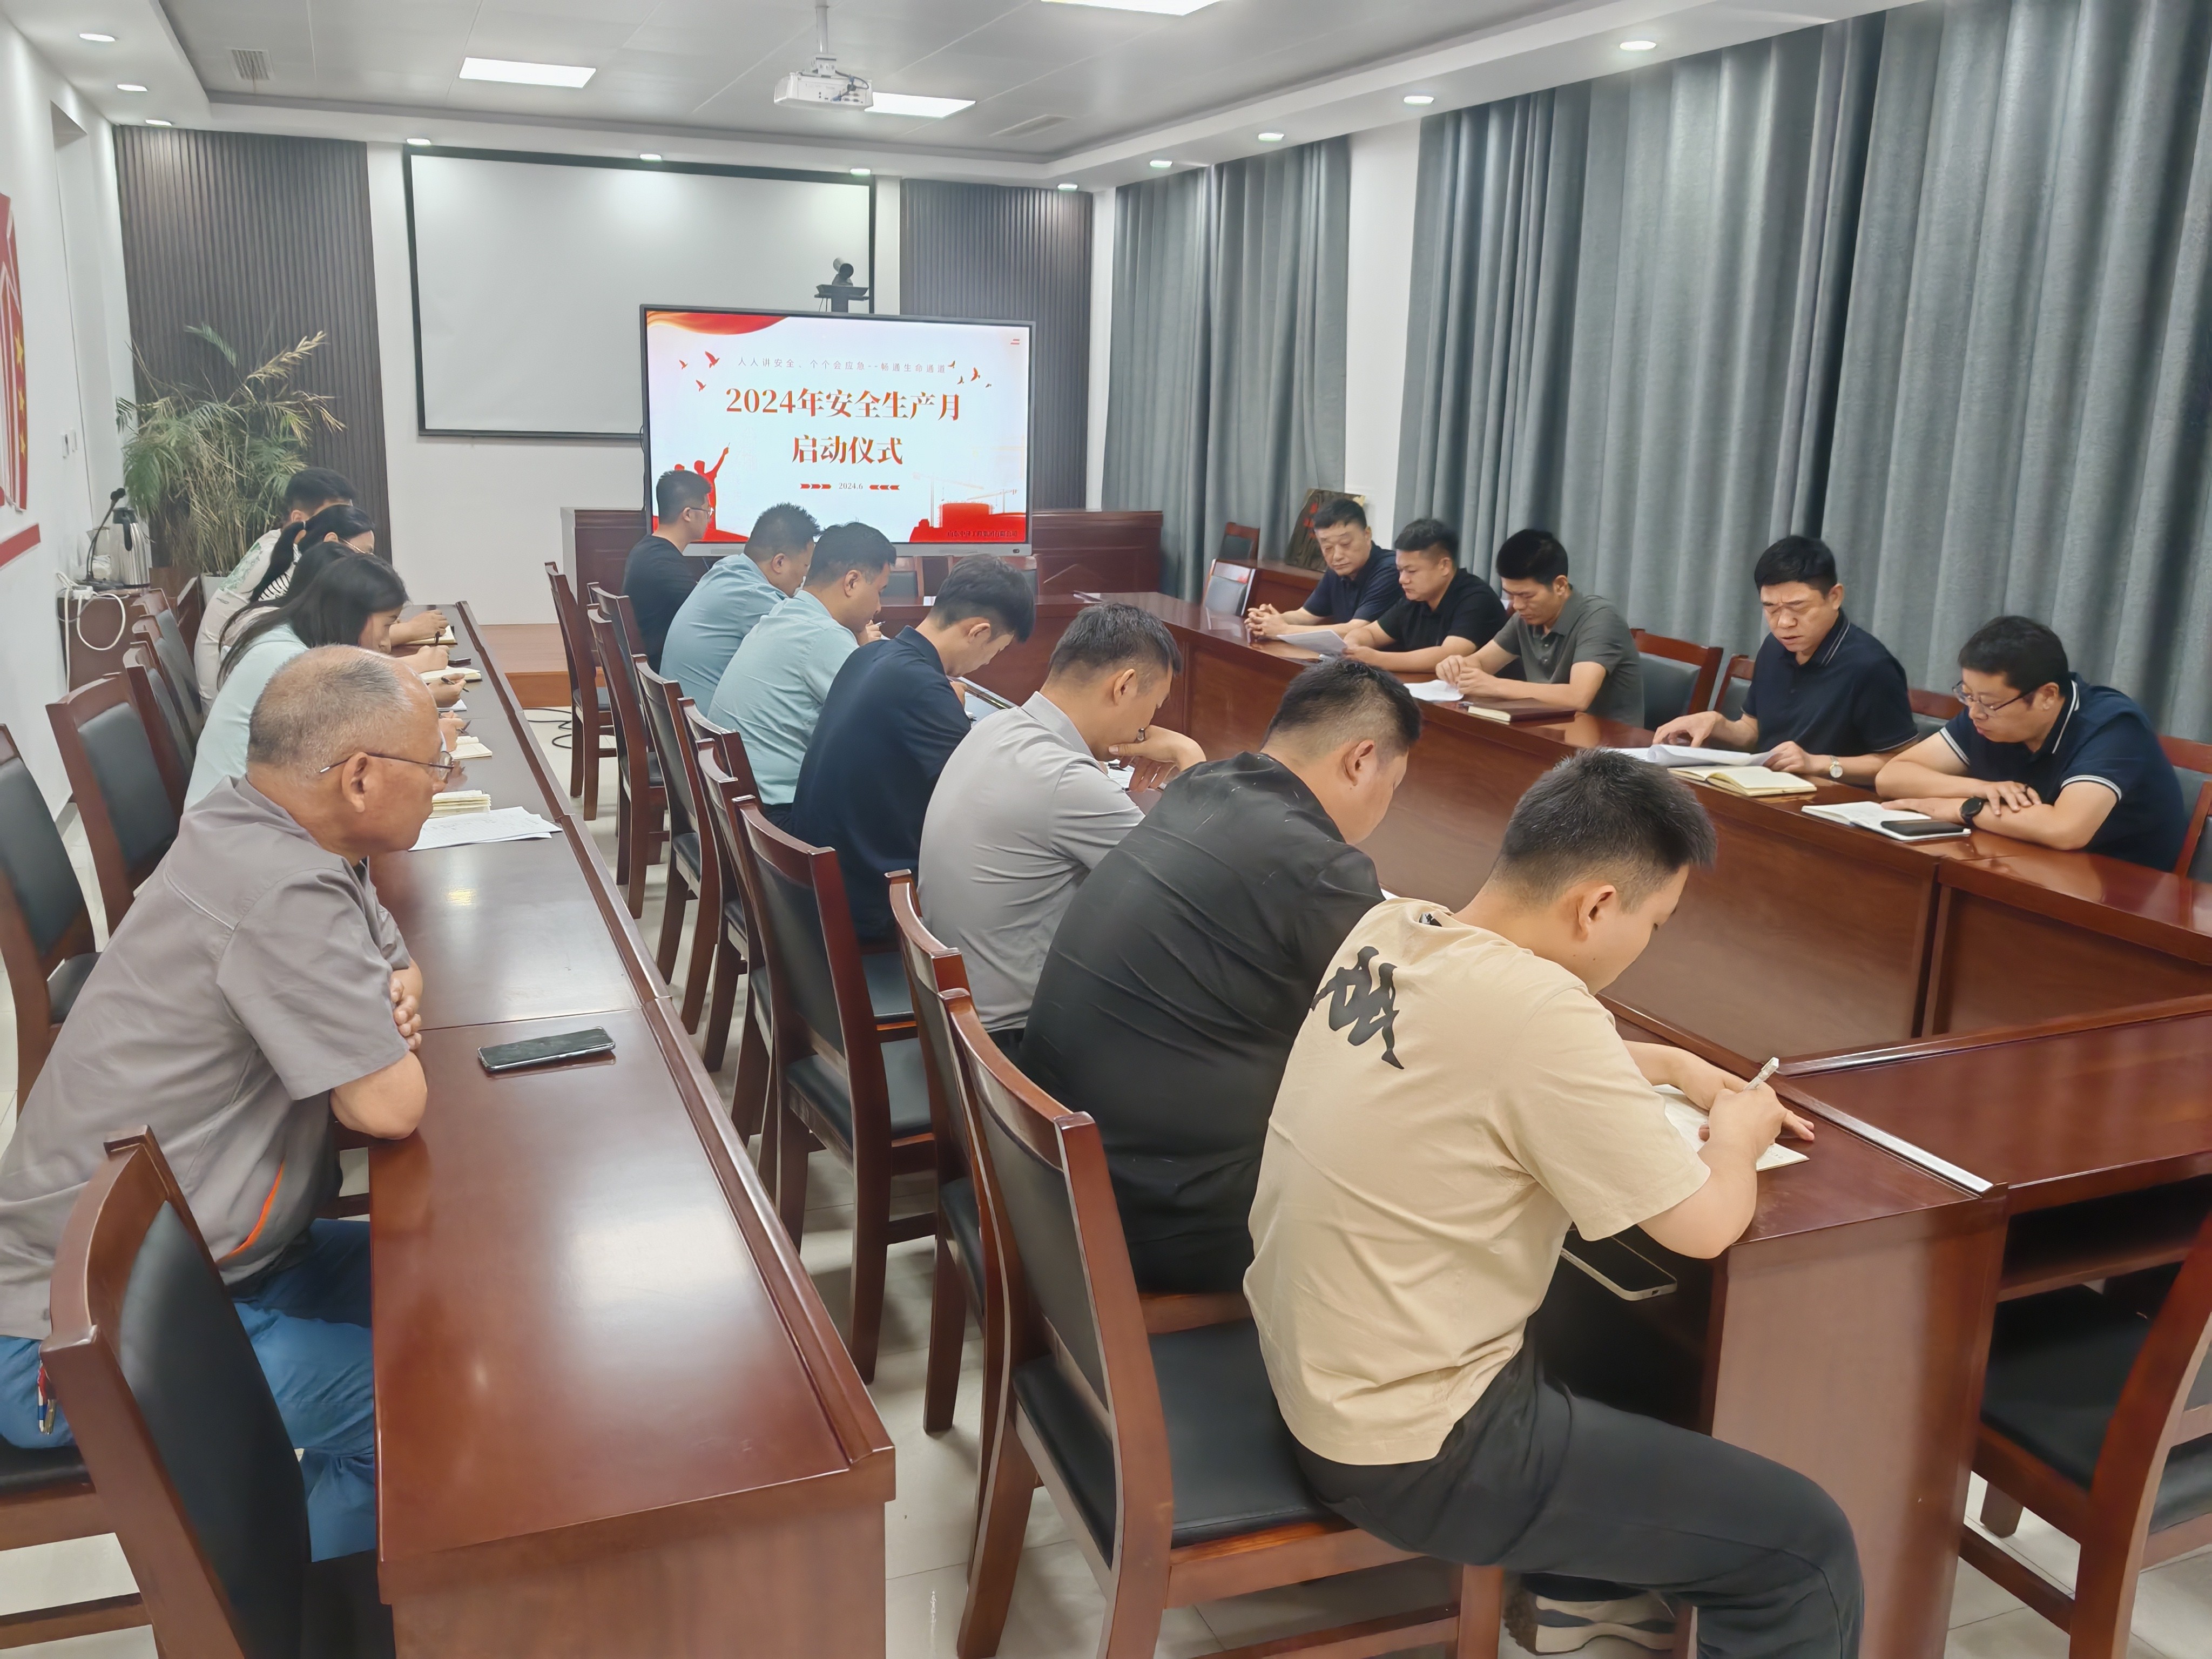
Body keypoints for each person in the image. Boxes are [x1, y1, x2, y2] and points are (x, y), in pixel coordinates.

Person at [1246, 748, 1852, 1659]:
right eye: (1654, 923)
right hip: (1419, 1448)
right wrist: (1734, 1137)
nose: (1646, 944)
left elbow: (1496, 1050)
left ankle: (1579, 1593)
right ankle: (1589, 1583)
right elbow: (1701, 1225)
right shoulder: (1541, 1011)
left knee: (1613, 1331)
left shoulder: (1395, 928)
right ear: (1597, 906)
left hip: (1319, 1373)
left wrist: (1671, 1064)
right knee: (1806, 1549)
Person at [0, 646, 444, 1569]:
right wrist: (381, 1026)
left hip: (212, 1260)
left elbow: (398, 965)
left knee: (450, 1292)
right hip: (70, 1334)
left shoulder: (259, 825)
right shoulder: (280, 885)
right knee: (417, 1405)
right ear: (361, 777)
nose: (442, 780)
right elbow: (389, 1104)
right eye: (433, 762)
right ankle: (305, 1612)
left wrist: (385, 1005)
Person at [1020, 659, 1418, 1294]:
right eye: (1391, 786)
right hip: (1156, 1215)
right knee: (1410, 1181)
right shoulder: (1317, 864)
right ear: (1360, 760)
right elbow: (1412, 1028)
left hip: (1050, 1168)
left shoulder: (1198, 789)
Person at [919, 603, 1205, 1040]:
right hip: (1011, 1044)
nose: (1148, 727)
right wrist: (1190, 757)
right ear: (1125, 686)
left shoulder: (997, 728)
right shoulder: (1065, 779)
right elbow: (1196, 892)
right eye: (1153, 707)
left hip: (960, 1020)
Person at [790, 557, 1037, 943]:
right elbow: (987, 806)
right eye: (998, 649)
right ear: (979, 632)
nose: (989, 661)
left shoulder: (869, 655)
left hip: (819, 888)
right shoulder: (923, 689)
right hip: (871, 908)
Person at [1874, 616, 2187, 870]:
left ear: (2047, 696)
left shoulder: (2113, 728)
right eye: (1967, 695)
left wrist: (1963, 808)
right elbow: (1892, 777)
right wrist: (1979, 789)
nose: (1974, 713)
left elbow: (2066, 829)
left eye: (1988, 702)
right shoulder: (1986, 715)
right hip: (2026, 863)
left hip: (2120, 893)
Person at [1653, 537, 1916, 783]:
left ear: (1835, 597)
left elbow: (1900, 763)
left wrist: (1818, 763)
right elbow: (1752, 732)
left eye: (1799, 607)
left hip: (1832, 801)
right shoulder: (1774, 647)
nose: (1784, 623)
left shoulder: (1871, 666)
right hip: (1770, 788)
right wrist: (1717, 723)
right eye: (1771, 609)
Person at [188, 550, 414, 805]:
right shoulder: (293, 664)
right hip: (234, 818)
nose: (386, 644)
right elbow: (362, 740)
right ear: (355, 616)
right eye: (387, 625)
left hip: (230, 809)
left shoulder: (285, 635)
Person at [706, 522, 894, 817]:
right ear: (852, 582)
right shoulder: (823, 635)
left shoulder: (786, 612)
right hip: (777, 820)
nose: (879, 606)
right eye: (879, 591)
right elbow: (888, 722)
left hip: (741, 809)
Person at [1436, 530, 1644, 725]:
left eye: (1526, 596)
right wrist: (1453, 667)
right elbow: (1481, 663)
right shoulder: (1525, 619)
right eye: (1510, 594)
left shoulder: (1599, 619)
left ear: (1560, 586)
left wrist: (1494, 685)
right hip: (1548, 729)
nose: (1517, 605)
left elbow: (1578, 697)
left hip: (1608, 743)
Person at [660, 503, 818, 705]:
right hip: (704, 722)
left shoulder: (729, 568)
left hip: (682, 714)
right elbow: (812, 646)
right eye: (806, 566)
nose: (805, 576)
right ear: (780, 563)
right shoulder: (753, 595)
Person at [1338, 520, 1507, 675]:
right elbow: (1372, 633)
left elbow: (1449, 654)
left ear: (1444, 566)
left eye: (1411, 571)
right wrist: (1353, 644)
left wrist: (1375, 659)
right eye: (1400, 570)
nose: (1402, 579)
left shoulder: (1477, 599)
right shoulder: (1415, 598)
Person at [1246, 497, 1402, 639]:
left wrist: (1284, 630)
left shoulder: (1390, 569)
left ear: (1367, 535)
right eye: (1328, 548)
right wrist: (1269, 620)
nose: (1337, 556)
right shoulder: (1338, 570)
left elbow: (1357, 629)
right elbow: (1306, 615)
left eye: (1345, 544)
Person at [623, 468, 716, 670]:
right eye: (707, 511)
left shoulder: (649, 549)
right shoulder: (662, 563)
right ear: (688, 514)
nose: (709, 519)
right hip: (661, 676)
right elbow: (707, 612)